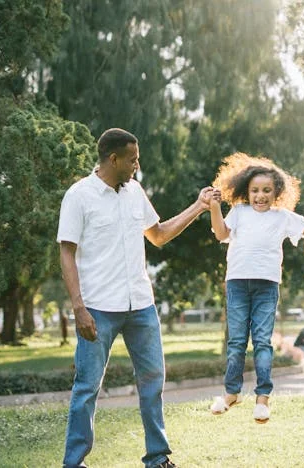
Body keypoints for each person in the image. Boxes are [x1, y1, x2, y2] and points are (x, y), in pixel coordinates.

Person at [57, 128, 215, 468]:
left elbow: (157, 235)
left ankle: (157, 458)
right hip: (98, 308)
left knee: (153, 380)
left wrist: (199, 207)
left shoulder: (134, 192)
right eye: (133, 159)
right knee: (87, 387)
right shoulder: (79, 195)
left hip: (141, 305)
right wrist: (78, 307)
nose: (137, 165)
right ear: (113, 158)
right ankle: (74, 463)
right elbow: (66, 253)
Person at [208, 152, 304, 424]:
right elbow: (220, 234)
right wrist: (215, 207)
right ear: (246, 192)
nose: (260, 196)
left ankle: (263, 398)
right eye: (254, 190)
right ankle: (231, 393)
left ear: (277, 193)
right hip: (238, 283)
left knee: (262, 341)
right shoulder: (239, 212)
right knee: (237, 341)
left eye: (266, 190)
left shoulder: (282, 217)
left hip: (266, 285)